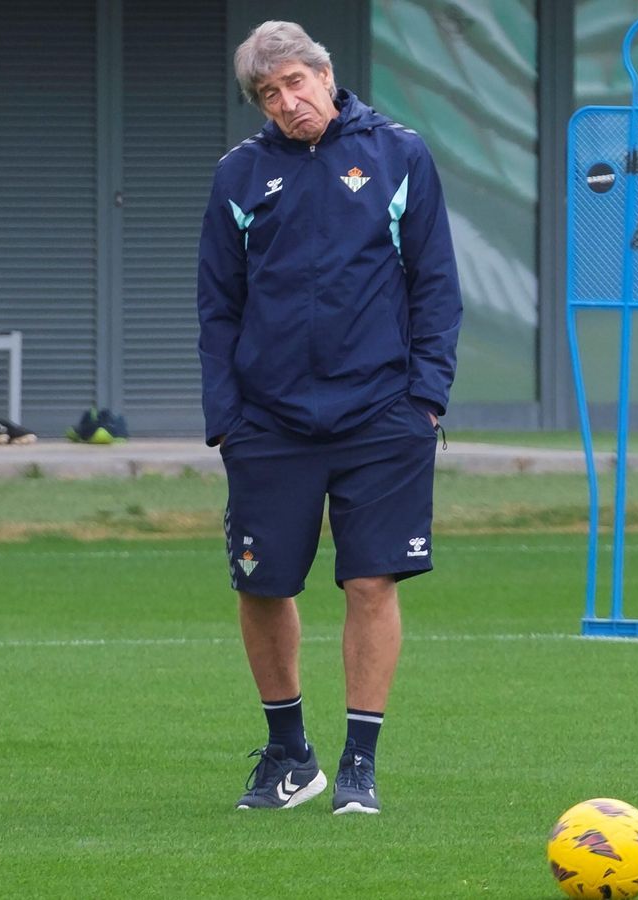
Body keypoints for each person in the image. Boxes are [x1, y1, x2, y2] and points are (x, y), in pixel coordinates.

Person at [197, 21, 462, 815]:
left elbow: (436, 286)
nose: (287, 103)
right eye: (269, 94)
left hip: (383, 415)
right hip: (269, 424)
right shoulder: (239, 175)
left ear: (325, 74)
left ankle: (358, 763)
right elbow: (218, 306)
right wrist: (227, 418)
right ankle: (289, 754)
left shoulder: (399, 155)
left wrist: (426, 400)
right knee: (261, 586)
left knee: (370, 581)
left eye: (295, 84)